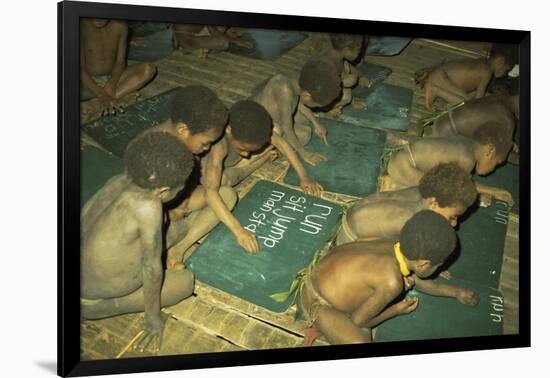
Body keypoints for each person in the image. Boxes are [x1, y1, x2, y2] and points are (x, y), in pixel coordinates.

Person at [80, 132, 197, 353]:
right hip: (90, 300)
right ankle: (98, 310)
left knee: (179, 228)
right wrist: (152, 317)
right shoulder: (148, 206)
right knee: (185, 282)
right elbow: (151, 268)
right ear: (162, 191)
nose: (184, 190)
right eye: (181, 187)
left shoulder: (119, 181)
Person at [297, 210, 479, 345]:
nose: (441, 269)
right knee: (359, 342)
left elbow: (416, 278)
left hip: (323, 273)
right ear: (423, 264)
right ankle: (321, 323)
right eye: (439, 265)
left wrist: (456, 292)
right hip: (317, 300)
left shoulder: (390, 243)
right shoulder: (392, 282)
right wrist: (395, 310)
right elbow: (359, 321)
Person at [145, 86, 238, 269]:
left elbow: (208, 189)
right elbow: (142, 206)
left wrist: (237, 229)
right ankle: (173, 241)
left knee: (227, 194)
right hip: (154, 217)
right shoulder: (154, 151)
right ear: (183, 129)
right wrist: (169, 213)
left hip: (179, 203)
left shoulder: (186, 138)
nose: (208, 148)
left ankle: (179, 248)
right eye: (205, 143)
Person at [336, 163, 477, 245]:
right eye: (453, 217)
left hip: (354, 215)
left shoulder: (423, 192)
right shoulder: (414, 221)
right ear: (433, 204)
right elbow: (413, 262)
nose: (454, 224)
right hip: (349, 241)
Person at [386, 123, 514, 205]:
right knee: (448, 195)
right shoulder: (467, 160)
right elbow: (460, 185)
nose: (493, 168)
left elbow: (464, 180)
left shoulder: (467, 143)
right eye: (496, 163)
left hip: (403, 158)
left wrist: (492, 191)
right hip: (403, 168)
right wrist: (489, 192)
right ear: (490, 150)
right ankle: (397, 188)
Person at [250, 60, 342, 166]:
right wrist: (304, 153)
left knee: (305, 120)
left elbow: (299, 101)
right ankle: (270, 151)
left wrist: (316, 123)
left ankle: (281, 146)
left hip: (279, 111)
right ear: (307, 95)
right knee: (304, 134)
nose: (316, 108)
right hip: (260, 126)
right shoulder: (284, 90)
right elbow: (286, 128)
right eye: (317, 105)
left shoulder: (302, 79)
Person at [80, 18, 157, 115]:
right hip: (87, 82)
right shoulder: (81, 26)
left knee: (148, 69)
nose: (97, 19)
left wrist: (111, 84)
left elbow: (120, 62)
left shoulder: (120, 26)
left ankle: (98, 104)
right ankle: (110, 97)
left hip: (113, 79)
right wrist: (101, 93)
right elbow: (80, 69)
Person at [415, 43, 517, 111]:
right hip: (440, 80)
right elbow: (478, 101)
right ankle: (435, 90)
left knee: (470, 96)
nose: (505, 74)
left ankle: (436, 90)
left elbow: (475, 91)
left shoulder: (482, 62)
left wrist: (490, 96)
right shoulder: (487, 72)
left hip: (440, 75)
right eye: (506, 70)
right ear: (500, 62)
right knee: (467, 104)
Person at [429, 94, 519, 164]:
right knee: (482, 154)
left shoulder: (501, 96)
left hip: (441, 120)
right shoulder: (507, 119)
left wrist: (507, 141)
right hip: (444, 136)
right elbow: (505, 155)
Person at [320, 33, 370, 116]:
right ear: (346, 49)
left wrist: (361, 76)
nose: (359, 53)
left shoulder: (340, 58)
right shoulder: (328, 64)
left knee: (348, 84)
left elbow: (348, 65)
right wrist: (351, 100)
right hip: (319, 97)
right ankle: (322, 110)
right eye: (358, 50)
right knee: (346, 95)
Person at [172, 24, 252, 59]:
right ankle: (196, 50)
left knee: (222, 28)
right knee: (222, 42)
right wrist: (235, 40)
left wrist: (236, 40)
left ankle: (207, 48)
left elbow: (212, 29)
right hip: (187, 41)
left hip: (200, 32)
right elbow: (215, 33)